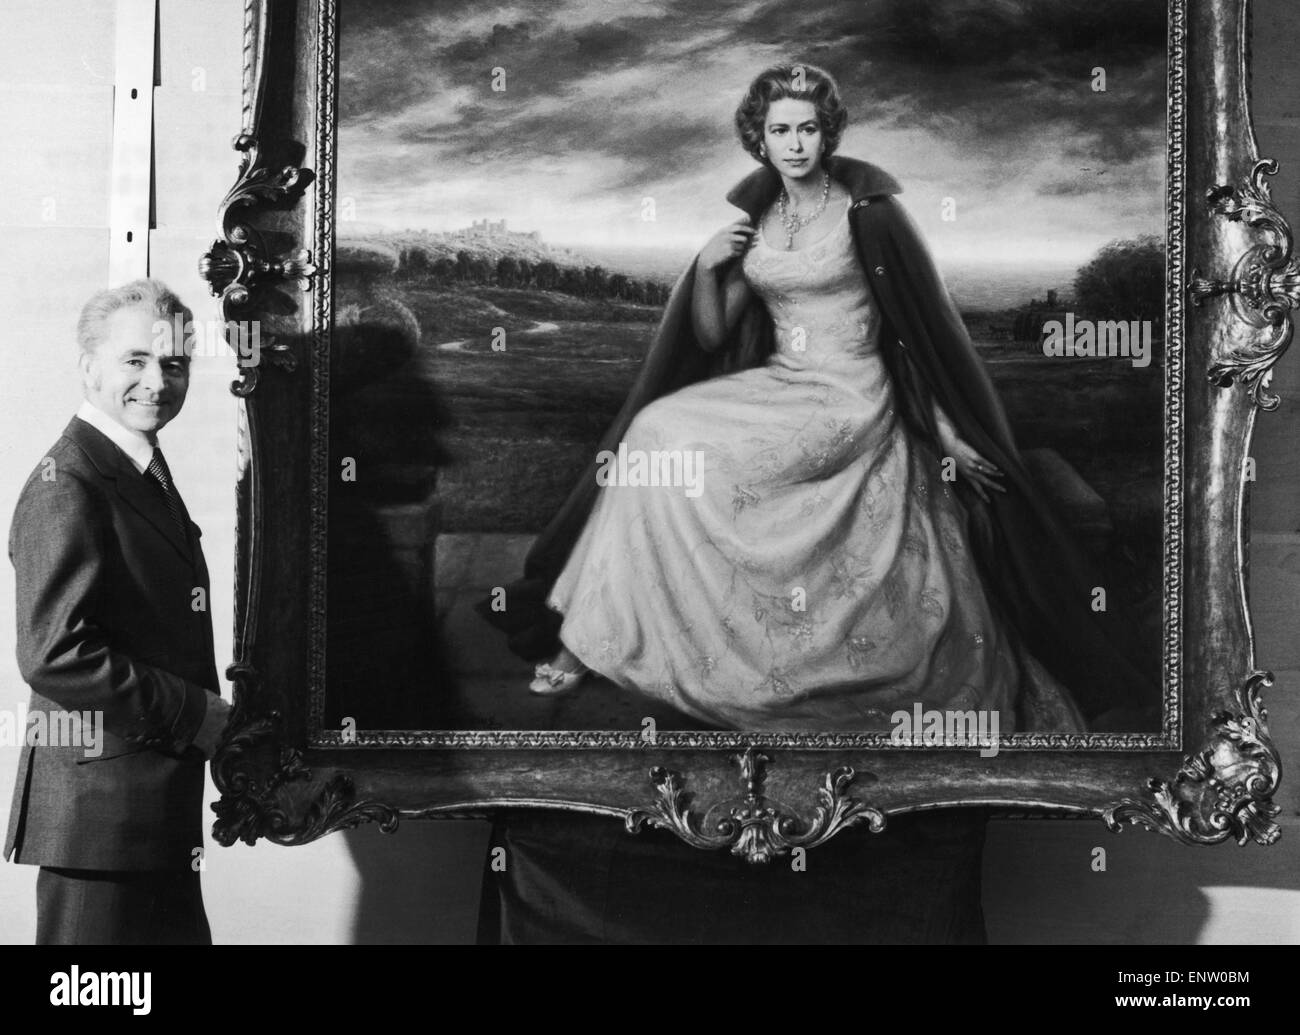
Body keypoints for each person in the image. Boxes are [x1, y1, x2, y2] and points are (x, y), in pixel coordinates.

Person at [483, 63, 1157, 734]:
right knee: (656, 430)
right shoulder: (760, 219)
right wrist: (715, 268)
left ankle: (652, 639)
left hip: (851, 397)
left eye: (808, 127)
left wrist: (947, 430)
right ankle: (602, 635)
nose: (796, 143)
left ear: (826, 133)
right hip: (783, 383)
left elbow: (917, 335)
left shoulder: (869, 216)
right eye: (781, 130)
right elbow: (715, 332)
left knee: (692, 452)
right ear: (761, 138)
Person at [3, 279, 231, 944]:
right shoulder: (67, 482)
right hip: (98, 830)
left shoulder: (137, 466)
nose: (157, 382)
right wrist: (198, 714)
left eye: (175, 363)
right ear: (89, 366)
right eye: (135, 360)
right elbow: (52, 652)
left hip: (149, 820)